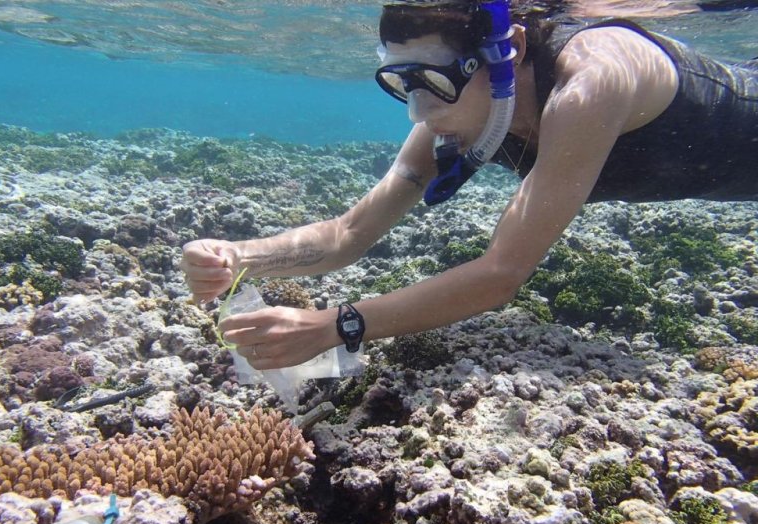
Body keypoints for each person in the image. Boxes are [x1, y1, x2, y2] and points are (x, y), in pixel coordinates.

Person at [180, 0, 757, 371]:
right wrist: (241, 256)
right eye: (400, 82)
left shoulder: (591, 82)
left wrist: (339, 325)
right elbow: (347, 234)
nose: (417, 109)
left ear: (510, 53)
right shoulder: (454, 112)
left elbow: (501, 274)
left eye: (431, 79)